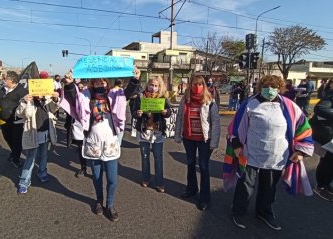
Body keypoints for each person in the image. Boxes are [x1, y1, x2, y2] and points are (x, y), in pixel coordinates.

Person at [230, 75, 313, 230]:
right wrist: (236, 145)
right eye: (266, 86)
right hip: (250, 153)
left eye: (273, 87)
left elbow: (303, 127)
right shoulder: (249, 104)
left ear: (279, 88)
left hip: (276, 155)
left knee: (269, 187)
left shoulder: (289, 106)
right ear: (260, 87)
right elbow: (235, 127)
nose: (270, 90)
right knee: (246, 185)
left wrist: (301, 150)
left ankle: (264, 212)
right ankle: (238, 211)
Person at [61, 68, 140, 222]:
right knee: (97, 177)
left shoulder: (114, 94)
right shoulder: (86, 96)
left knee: (112, 179)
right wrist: (70, 83)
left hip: (110, 143)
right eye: (96, 81)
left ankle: (109, 205)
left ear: (107, 82)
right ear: (92, 83)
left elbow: (127, 94)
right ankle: (99, 200)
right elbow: (73, 99)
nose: (100, 83)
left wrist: (135, 80)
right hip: (93, 143)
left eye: (103, 81)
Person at [174, 75, 220, 211]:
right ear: (190, 85)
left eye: (200, 84)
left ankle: (205, 197)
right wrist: (177, 134)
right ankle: (191, 189)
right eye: (195, 84)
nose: (197, 87)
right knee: (190, 164)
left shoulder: (209, 101)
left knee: (204, 167)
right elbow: (179, 117)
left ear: (204, 86)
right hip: (189, 138)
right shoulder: (185, 99)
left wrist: (214, 141)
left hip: (204, 140)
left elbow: (216, 122)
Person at [132, 76, 171, 193]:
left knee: (158, 158)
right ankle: (145, 178)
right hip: (144, 131)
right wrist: (137, 114)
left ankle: (159, 183)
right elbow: (134, 112)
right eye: (151, 85)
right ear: (147, 85)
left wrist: (165, 112)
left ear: (159, 87)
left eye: (155, 85)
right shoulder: (140, 96)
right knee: (145, 157)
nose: (153, 88)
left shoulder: (162, 98)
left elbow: (169, 111)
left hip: (157, 132)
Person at [15, 91, 60, 194]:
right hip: (32, 134)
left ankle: (42, 173)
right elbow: (20, 113)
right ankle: (24, 181)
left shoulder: (47, 99)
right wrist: (24, 102)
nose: (39, 94)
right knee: (31, 157)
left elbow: (54, 109)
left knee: (43, 155)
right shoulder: (29, 100)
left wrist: (55, 99)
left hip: (45, 133)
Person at [0, 71, 28, 168]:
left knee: (16, 140)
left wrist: (27, 100)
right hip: (3, 119)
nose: (2, 80)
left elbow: (26, 106)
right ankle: (14, 152)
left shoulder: (22, 91)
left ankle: (16, 159)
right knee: (7, 138)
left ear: (12, 80)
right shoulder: (2, 89)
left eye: (4, 78)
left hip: (16, 120)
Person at [309, 79, 333, 201]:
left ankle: (326, 184)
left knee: (329, 160)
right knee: (327, 160)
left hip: (327, 132)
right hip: (326, 134)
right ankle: (321, 186)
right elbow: (319, 109)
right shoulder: (329, 96)